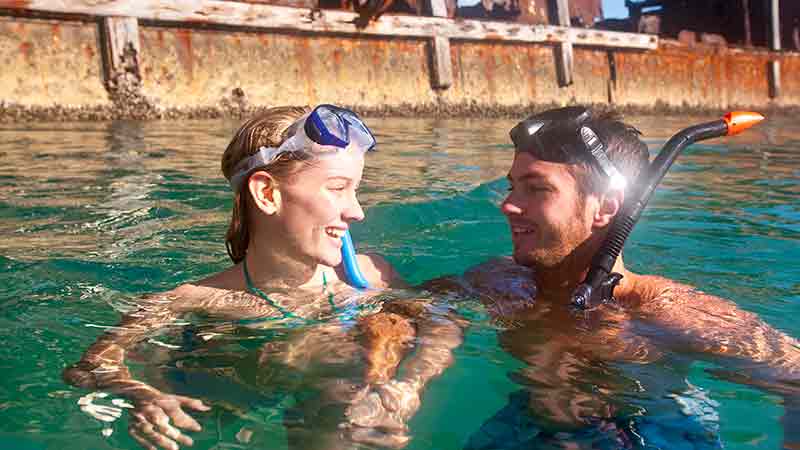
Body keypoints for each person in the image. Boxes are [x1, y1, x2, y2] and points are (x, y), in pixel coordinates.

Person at [63, 105, 461, 450]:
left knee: (343, 405)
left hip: (331, 410)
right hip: (229, 398)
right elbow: (91, 365)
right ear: (267, 194)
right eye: (338, 189)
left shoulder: (372, 275)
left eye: (356, 190)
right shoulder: (193, 298)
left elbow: (444, 321)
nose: (357, 212)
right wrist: (144, 396)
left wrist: (410, 384)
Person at [426, 106, 800, 448]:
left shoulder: (660, 309)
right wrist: (400, 385)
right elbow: (417, 310)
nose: (507, 204)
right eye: (512, 186)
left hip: (646, 428)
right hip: (527, 423)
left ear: (605, 207)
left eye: (536, 188)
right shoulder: (501, 279)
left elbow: (795, 375)